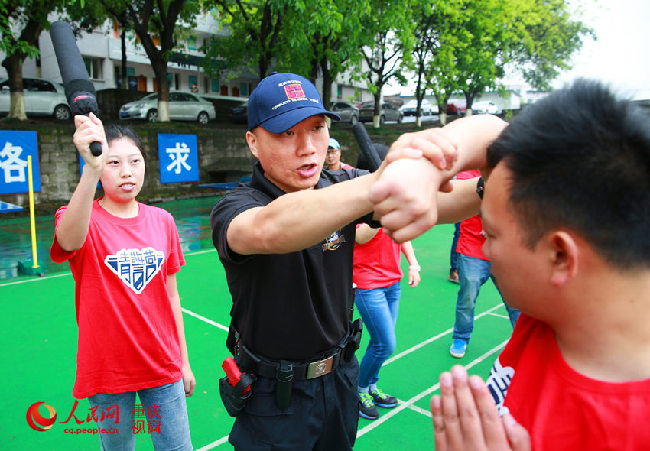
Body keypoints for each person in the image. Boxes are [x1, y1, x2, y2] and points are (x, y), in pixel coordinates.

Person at [209, 72, 501, 450]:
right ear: (252, 141)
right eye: (286, 133)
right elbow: (270, 228)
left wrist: (488, 186)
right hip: (274, 394)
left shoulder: (341, 186)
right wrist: (385, 180)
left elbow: (441, 200)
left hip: (339, 379)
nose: (308, 147)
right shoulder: (236, 206)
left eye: (316, 129)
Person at [430, 79, 650, 450]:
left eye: (493, 235)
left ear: (559, 257)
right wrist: (419, 167)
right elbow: (488, 134)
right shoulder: (558, 309)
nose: (485, 246)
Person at [50, 114, 194, 450]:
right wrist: (90, 168)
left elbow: (172, 298)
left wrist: (183, 362)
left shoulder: (163, 221)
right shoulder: (81, 218)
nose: (127, 171)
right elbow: (68, 241)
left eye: (135, 161)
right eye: (113, 163)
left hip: (163, 365)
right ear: (100, 168)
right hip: (107, 372)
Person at [449, 169, 520, 359]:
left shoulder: (510, 170)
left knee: (516, 299)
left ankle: (524, 340)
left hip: (503, 248)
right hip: (472, 248)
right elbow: (468, 196)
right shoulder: (467, 174)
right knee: (468, 297)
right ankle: (461, 337)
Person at [354, 224, 421, 420]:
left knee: (378, 343)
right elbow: (360, 237)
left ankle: (371, 387)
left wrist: (413, 263)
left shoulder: (393, 206)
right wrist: (382, 211)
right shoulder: (364, 204)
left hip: (393, 283)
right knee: (385, 345)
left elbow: (403, 234)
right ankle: (359, 390)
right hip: (368, 284)